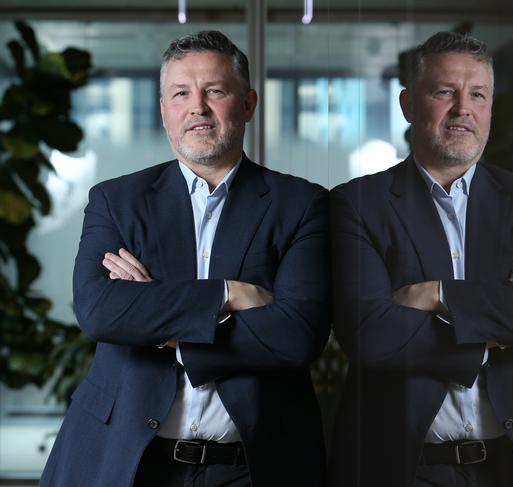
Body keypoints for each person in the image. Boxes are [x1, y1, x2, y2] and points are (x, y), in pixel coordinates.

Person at [40, 30, 330, 487]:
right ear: (163, 111)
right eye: (181, 93)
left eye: (214, 90)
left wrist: (155, 315)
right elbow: (99, 312)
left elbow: (298, 335)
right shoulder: (117, 201)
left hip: (254, 465)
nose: (197, 106)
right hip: (126, 460)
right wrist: (228, 295)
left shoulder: (302, 204)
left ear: (248, 104)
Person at [329, 31, 513, 487]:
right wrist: (503, 318)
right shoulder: (357, 204)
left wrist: (436, 295)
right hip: (404, 463)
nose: (463, 109)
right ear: (408, 105)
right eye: (445, 92)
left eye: (477, 94)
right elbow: (371, 336)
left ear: (490, 108)